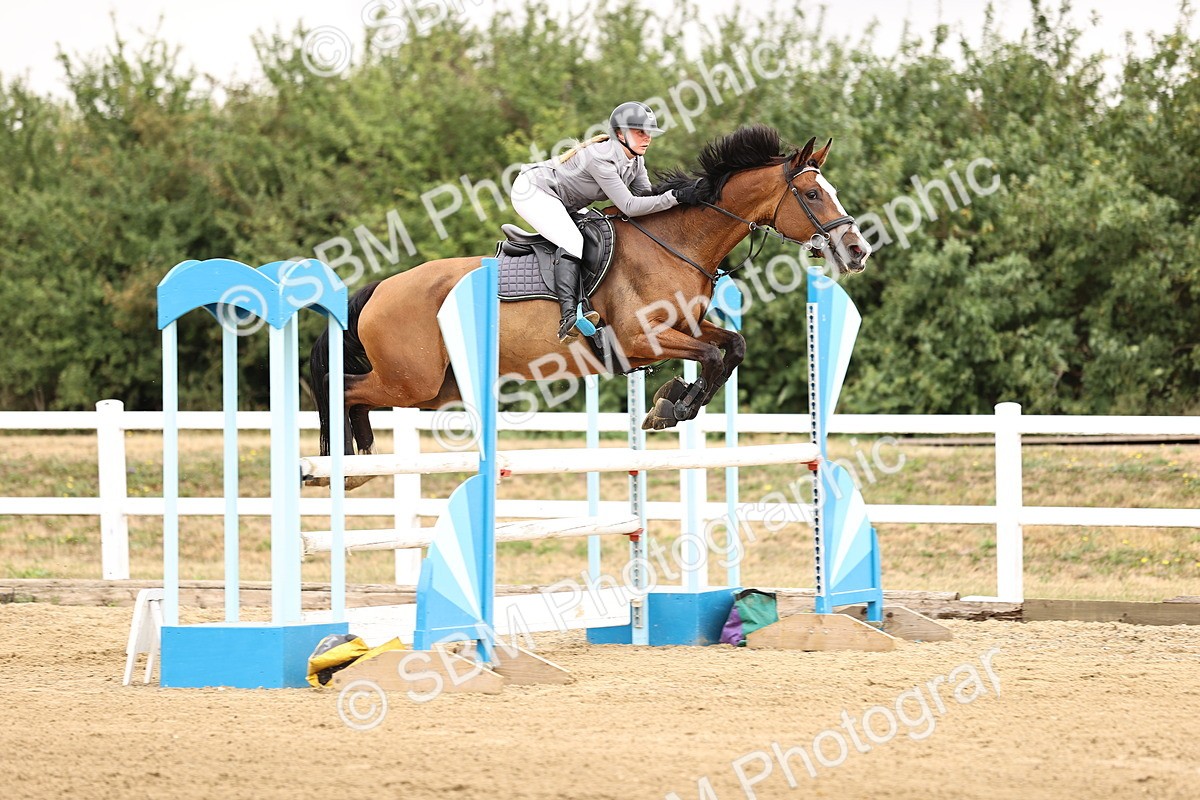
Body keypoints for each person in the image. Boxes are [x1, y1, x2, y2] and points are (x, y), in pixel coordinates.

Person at [510, 101, 702, 343]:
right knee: (572, 241)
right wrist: (675, 197)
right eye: (639, 132)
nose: (647, 138)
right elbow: (629, 206)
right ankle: (569, 316)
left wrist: (686, 195)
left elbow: (647, 199)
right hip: (533, 190)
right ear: (620, 134)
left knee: (595, 236)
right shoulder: (601, 158)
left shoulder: (635, 160)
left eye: (648, 132)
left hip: (565, 200)